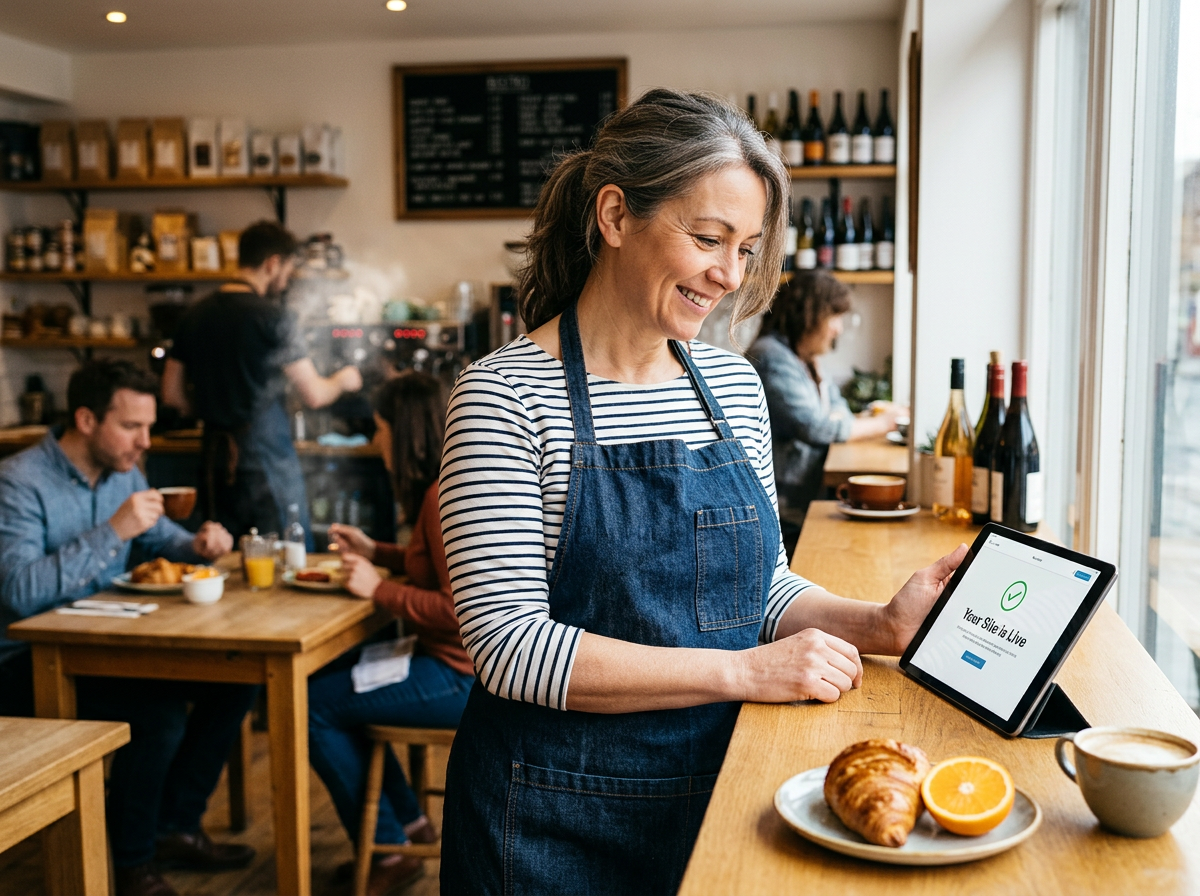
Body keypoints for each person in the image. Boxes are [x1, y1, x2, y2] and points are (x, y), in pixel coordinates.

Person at [436, 89, 967, 896]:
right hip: (547, 819)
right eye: (709, 239)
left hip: (719, 790)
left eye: (747, 249)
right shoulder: (505, 394)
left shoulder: (732, 384)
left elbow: (756, 589)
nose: (729, 275)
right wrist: (746, 673)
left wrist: (878, 625)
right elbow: (509, 650)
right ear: (615, 216)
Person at [0, 359, 257, 896]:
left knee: (237, 681)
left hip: (111, 644)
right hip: (28, 661)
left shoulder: (124, 470)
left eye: (148, 426)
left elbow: (160, 538)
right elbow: (19, 593)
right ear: (87, 419)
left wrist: (198, 544)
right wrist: (111, 530)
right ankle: (131, 860)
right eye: (132, 427)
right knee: (156, 716)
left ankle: (174, 826)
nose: (145, 442)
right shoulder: (19, 482)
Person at [307, 371, 472, 896]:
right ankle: (408, 827)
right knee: (332, 686)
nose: (375, 439)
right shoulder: (444, 485)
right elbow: (437, 567)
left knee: (311, 705)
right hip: (455, 669)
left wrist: (380, 590)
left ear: (402, 432)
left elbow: (458, 607)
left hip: (459, 679)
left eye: (379, 428)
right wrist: (377, 552)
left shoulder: (435, 495)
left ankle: (390, 848)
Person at [161, 220, 363, 546]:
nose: (285, 283)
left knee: (222, 555)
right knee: (288, 556)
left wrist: (214, 407)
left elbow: (171, 394)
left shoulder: (194, 315)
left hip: (215, 460)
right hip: (265, 461)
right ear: (272, 263)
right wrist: (343, 379)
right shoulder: (274, 318)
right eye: (287, 271)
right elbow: (313, 393)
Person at [747, 270, 907, 541]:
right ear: (810, 315)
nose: (838, 328)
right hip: (783, 512)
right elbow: (816, 427)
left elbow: (838, 409)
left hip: (802, 498)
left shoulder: (805, 359)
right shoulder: (771, 356)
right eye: (834, 316)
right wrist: (887, 422)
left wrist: (835, 420)